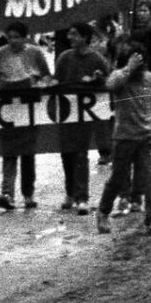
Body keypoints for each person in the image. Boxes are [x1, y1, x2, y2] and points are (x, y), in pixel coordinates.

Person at [94, 44, 151, 237]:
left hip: (147, 135)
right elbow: (110, 85)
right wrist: (129, 68)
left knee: (150, 179)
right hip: (124, 136)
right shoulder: (120, 77)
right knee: (117, 179)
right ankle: (103, 211)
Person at [0, 22, 51, 210]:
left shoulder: (36, 53)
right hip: (7, 108)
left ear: (25, 37)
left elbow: (46, 75)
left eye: (17, 37)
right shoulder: (0, 54)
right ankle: (7, 193)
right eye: (10, 37)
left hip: (29, 106)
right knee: (9, 151)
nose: (13, 41)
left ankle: (28, 194)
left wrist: (42, 84)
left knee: (28, 153)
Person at [53, 23, 109, 214]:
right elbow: (57, 80)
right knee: (66, 154)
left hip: (85, 115)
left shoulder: (97, 59)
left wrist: (98, 79)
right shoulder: (64, 57)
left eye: (75, 34)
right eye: (69, 34)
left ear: (85, 37)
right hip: (66, 113)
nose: (70, 37)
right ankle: (70, 193)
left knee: (80, 154)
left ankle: (82, 197)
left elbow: (109, 83)